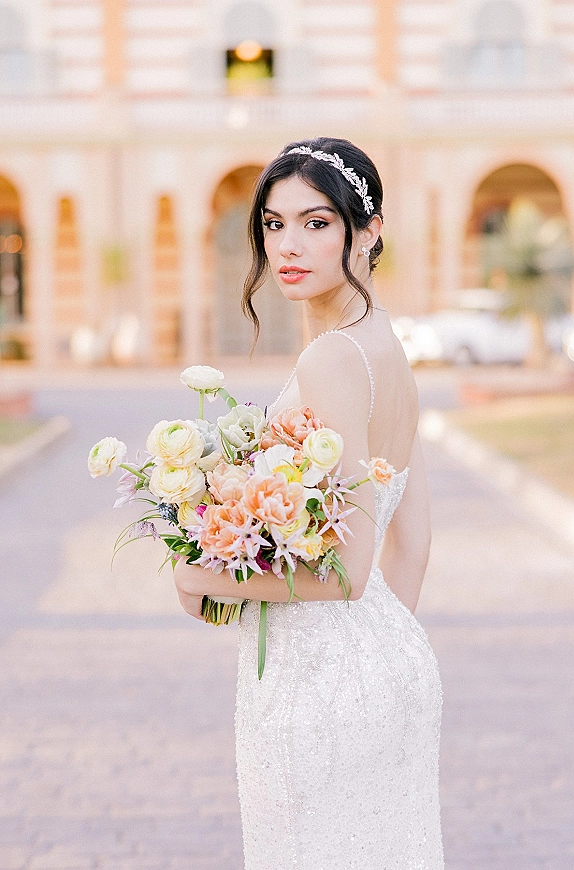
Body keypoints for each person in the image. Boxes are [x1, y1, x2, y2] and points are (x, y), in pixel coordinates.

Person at [174, 137, 444, 869]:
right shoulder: (387, 348)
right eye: (272, 224)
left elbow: (348, 573)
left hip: (316, 688)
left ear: (370, 230)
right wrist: (371, 659)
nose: (288, 244)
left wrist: (207, 578)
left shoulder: (331, 358)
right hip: (387, 666)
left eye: (317, 223)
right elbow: (412, 543)